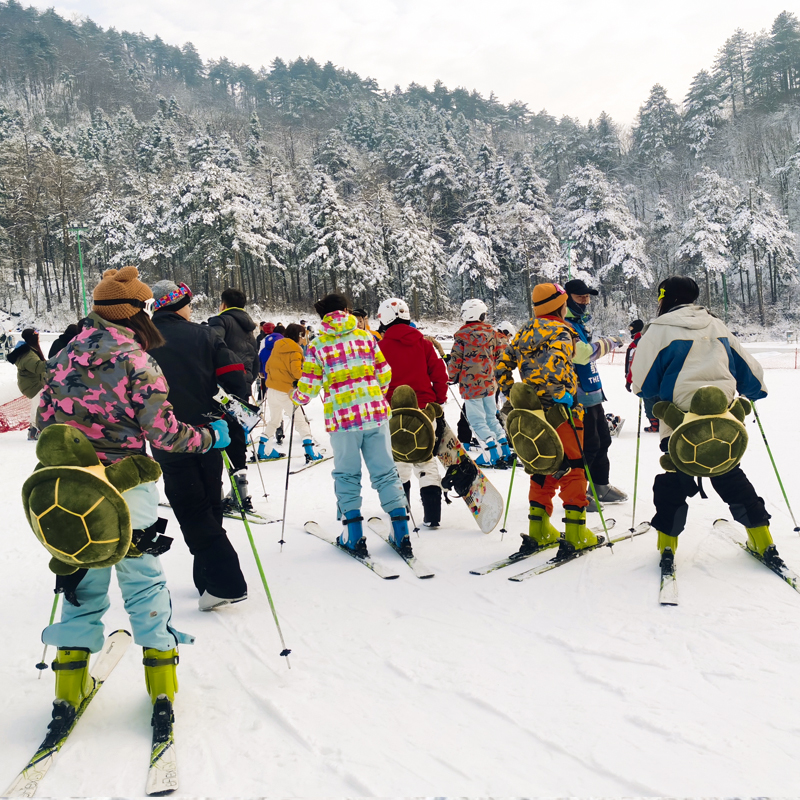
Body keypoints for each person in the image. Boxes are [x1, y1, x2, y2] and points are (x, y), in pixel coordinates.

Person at [35, 267, 230, 740]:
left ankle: (66, 691)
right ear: (138, 312)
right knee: (142, 580)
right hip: (126, 484)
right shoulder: (135, 359)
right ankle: (162, 688)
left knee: (81, 581)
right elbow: (163, 432)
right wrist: (207, 436)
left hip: (74, 487)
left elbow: (42, 420)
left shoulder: (63, 356)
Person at [631, 276, 781, 573]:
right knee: (730, 476)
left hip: (680, 427)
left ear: (665, 298)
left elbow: (641, 384)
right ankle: (763, 541)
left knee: (674, 481)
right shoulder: (717, 326)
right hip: (723, 425)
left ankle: (667, 547)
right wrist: (753, 392)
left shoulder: (657, 331)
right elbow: (751, 374)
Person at [149, 280, 250, 610]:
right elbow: (237, 376)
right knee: (207, 503)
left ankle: (219, 580)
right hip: (208, 431)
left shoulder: (140, 341)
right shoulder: (204, 335)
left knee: (190, 505)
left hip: (166, 435)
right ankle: (213, 579)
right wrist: (221, 400)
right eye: (188, 304)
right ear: (179, 305)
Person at [291, 293, 410, 557]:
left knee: (347, 474)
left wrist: (296, 395)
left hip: (343, 420)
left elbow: (309, 386)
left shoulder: (318, 343)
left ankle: (353, 534)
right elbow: (385, 373)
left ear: (323, 316)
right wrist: (372, 393)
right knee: (386, 472)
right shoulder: (366, 336)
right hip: (375, 415)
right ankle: (401, 531)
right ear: (346, 311)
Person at [496, 282, 600, 556]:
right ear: (559, 305)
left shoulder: (523, 332)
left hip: (533, 413)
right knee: (573, 466)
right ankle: (577, 532)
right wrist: (561, 392)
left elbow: (502, 366)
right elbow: (583, 355)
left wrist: (511, 395)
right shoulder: (564, 331)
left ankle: (539, 530)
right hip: (563, 411)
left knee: (541, 465)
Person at [377, 297, 448, 528]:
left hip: (393, 413)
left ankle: (401, 513)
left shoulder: (380, 347)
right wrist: (439, 401)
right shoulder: (425, 344)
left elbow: (375, 381)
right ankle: (433, 516)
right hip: (425, 410)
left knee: (399, 462)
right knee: (426, 461)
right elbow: (439, 374)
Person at [563, 279, 626, 509]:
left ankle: (600, 485)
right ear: (567, 298)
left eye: (587, 297)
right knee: (586, 446)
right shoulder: (565, 324)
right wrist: (608, 342)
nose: (585, 301)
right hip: (576, 396)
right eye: (580, 297)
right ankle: (576, 492)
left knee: (603, 440)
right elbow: (582, 354)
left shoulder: (579, 322)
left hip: (592, 391)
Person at [208, 287, 259, 511]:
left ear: (224, 304)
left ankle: (214, 494)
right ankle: (242, 493)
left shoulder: (221, 321)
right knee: (237, 437)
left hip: (221, 388)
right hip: (243, 387)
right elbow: (255, 360)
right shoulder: (250, 328)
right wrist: (248, 381)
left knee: (216, 434)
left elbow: (212, 347)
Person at [447, 298, 510, 468]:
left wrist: (451, 377)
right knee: (491, 417)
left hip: (470, 385)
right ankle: (504, 449)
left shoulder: (462, 336)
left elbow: (455, 361)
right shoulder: (493, 333)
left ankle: (490, 453)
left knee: (477, 421)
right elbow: (500, 357)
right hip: (489, 384)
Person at [258, 323, 322, 462]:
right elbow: (297, 372)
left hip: (272, 390)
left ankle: (262, 450)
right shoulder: (295, 350)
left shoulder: (277, 346)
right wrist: (307, 374)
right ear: (299, 336)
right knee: (300, 422)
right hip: (286, 392)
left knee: (274, 420)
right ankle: (310, 452)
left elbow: (267, 367)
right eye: (303, 335)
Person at [8, 328, 47, 440]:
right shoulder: (28, 354)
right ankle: (34, 431)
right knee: (38, 406)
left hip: (33, 383)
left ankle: (34, 429)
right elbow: (37, 367)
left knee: (39, 405)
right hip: (32, 385)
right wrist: (53, 364)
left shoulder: (29, 350)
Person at [625, 319, 659, 432]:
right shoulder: (651, 339)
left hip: (643, 377)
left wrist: (629, 380)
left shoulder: (636, 343)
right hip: (657, 376)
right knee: (658, 399)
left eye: (631, 328)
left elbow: (633, 364)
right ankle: (661, 422)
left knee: (648, 399)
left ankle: (655, 424)